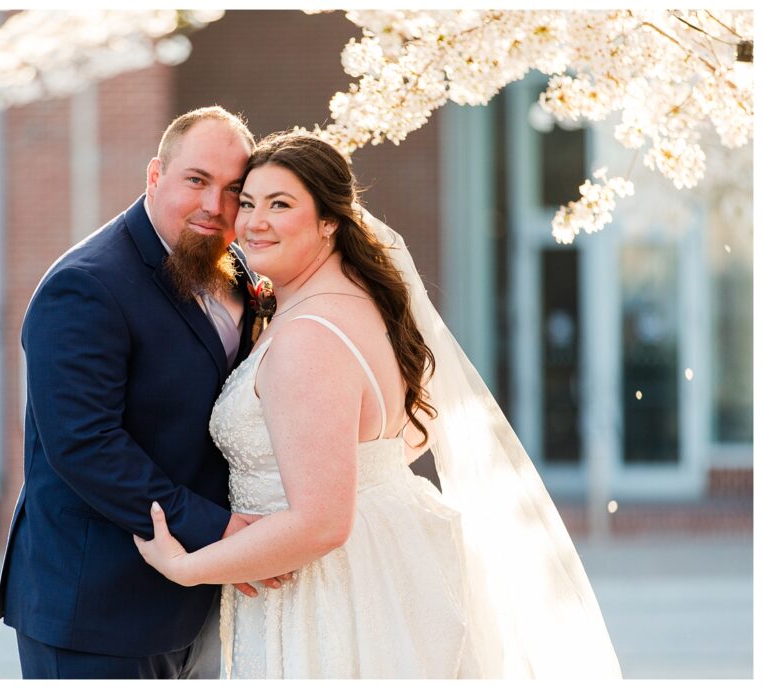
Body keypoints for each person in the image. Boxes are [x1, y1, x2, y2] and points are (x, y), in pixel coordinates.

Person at [134, 131, 623, 678]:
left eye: (280, 204)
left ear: (329, 221)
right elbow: (396, 444)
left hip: (321, 594)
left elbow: (321, 523)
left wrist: (187, 567)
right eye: (247, 203)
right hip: (377, 569)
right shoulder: (360, 305)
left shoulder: (308, 337)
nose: (253, 222)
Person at [0, 106, 289, 680]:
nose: (215, 205)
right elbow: (86, 445)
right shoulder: (85, 285)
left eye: (233, 190)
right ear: (155, 175)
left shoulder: (236, 266)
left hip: (198, 600)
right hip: (95, 609)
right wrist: (219, 531)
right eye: (196, 180)